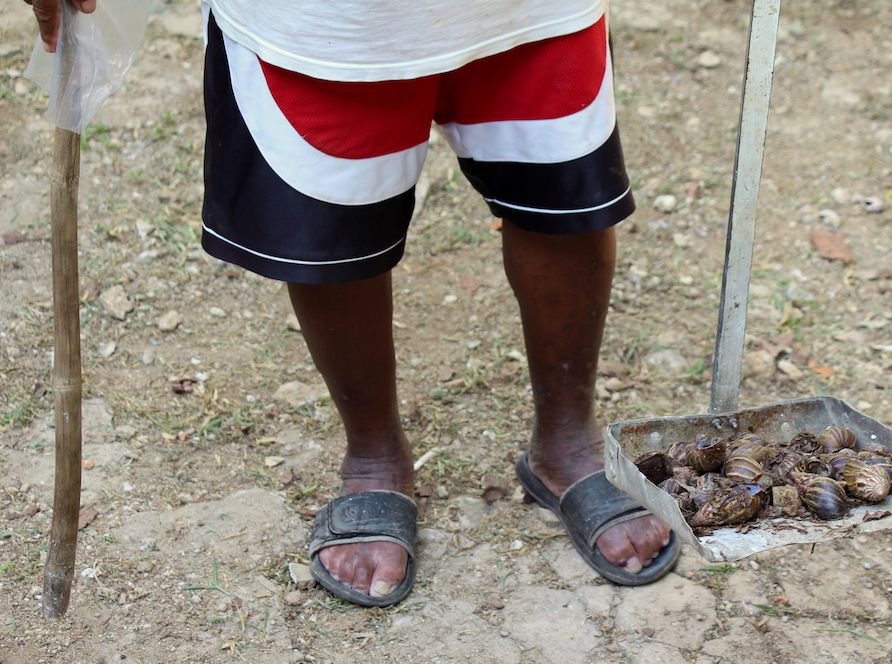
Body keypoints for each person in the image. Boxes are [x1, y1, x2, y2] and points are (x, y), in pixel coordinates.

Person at [28, 0, 679, 607]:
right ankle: (373, 455)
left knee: (563, 195)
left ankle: (566, 444)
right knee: (334, 217)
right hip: (320, 22)